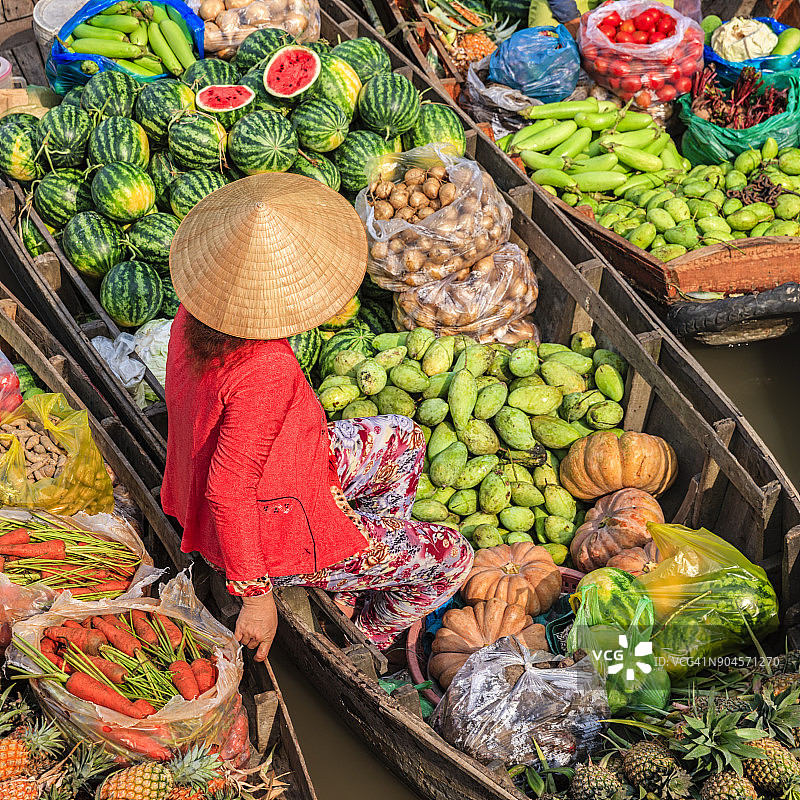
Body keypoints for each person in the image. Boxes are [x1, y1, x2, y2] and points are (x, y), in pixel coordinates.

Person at [161, 173, 474, 662]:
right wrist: (256, 597)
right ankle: (366, 635)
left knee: (405, 438)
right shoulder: (266, 368)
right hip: (269, 526)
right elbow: (228, 490)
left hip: (286, 465)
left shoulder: (196, 310)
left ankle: (352, 578)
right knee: (453, 557)